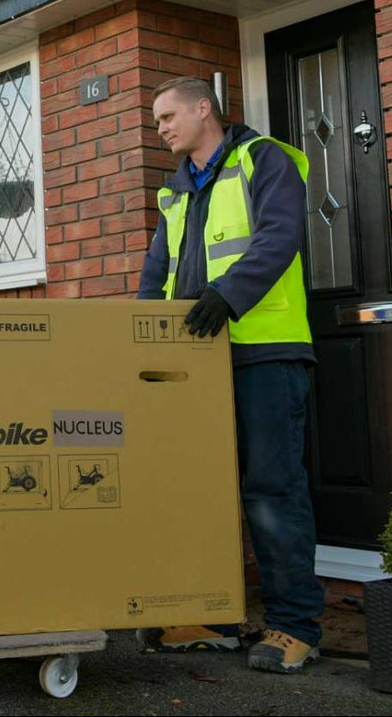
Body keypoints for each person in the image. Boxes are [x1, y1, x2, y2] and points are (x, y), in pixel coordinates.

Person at [135, 76, 323, 674]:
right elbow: (154, 275)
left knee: (271, 490)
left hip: (264, 350)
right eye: (156, 119)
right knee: (202, 491)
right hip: (195, 364)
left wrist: (227, 294)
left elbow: (279, 237)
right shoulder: (174, 192)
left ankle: (295, 626)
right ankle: (213, 616)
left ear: (202, 108)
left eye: (167, 115)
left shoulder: (263, 161)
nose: (160, 127)